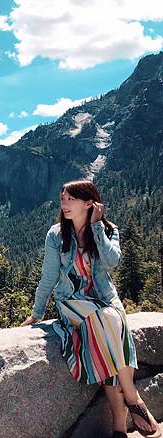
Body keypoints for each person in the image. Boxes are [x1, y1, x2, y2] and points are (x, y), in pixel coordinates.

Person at [20, 179, 161, 438]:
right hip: (71, 302)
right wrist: (37, 313)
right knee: (111, 323)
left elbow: (112, 261)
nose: (64, 204)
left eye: (70, 199)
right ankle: (131, 397)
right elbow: (48, 277)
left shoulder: (107, 229)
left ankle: (119, 426)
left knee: (107, 337)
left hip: (104, 299)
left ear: (89, 203)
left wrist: (96, 226)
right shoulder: (55, 235)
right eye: (62, 199)